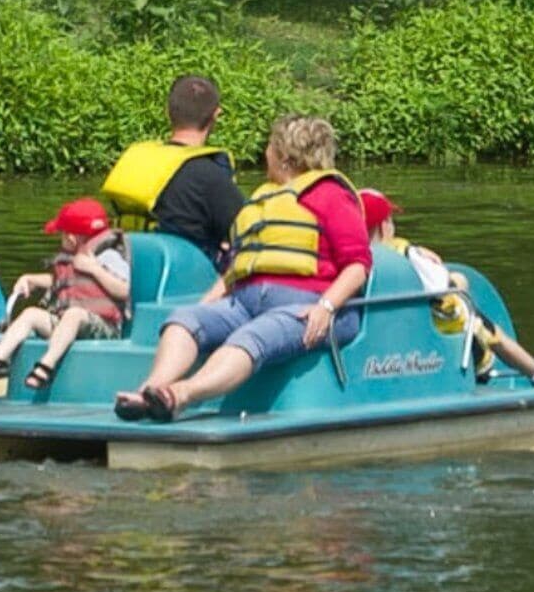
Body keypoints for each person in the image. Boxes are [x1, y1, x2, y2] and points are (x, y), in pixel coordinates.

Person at [114, 114, 372, 422]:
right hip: (246, 301)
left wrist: (326, 307)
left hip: (309, 306)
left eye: (269, 147)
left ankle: (180, 395)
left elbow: (358, 264)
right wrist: (205, 304)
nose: (265, 154)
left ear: (284, 157)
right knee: (183, 321)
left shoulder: (330, 195)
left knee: (253, 336)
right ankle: (149, 391)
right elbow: (237, 269)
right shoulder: (267, 198)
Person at [360, 189, 534, 383]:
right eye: (390, 219)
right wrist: (457, 280)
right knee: (490, 331)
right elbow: (441, 285)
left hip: (387, 341)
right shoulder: (406, 253)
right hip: (447, 340)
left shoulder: (353, 260)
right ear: (383, 225)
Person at [0, 196, 130, 387]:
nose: (60, 239)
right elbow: (61, 282)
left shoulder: (108, 256)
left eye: (62, 234)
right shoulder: (72, 258)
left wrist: (94, 269)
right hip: (67, 322)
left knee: (73, 314)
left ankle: (46, 365)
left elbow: (124, 290)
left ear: (72, 238)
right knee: (30, 313)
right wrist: (31, 279)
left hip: (105, 327)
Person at [100, 73, 248, 263]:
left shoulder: (137, 160)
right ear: (216, 115)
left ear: (167, 111)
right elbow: (247, 233)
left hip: (130, 267)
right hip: (184, 280)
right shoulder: (211, 176)